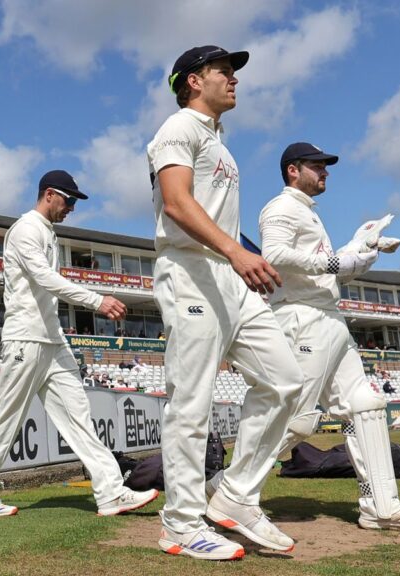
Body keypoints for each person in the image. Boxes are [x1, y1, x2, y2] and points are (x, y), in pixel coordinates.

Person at [147, 45, 304, 560]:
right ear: (194, 80)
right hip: (191, 273)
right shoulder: (179, 130)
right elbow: (176, 203)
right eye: (224, 72)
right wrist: (236, 252)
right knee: (191, 402)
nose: (234, 80)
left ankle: (235, 496)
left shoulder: (221, 143)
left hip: (229, 276)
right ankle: (180, 523)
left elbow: (216, 214)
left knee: (285, 381)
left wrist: (246, 257)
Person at [258, 141, 400, 534]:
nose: (325, 172)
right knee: (299, 420)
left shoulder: (309, 214)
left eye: (325, 166)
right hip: (302, 316)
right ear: (293, 170)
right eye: (317, 166)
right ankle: (230, 492)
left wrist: (362, 247)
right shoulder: (281, 207)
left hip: (329, 317)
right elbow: (272, 256)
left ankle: (381, 506)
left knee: (365, 405)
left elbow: (327, 270)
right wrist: (338, 260)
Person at [0, 169, 158, 519]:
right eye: (68, 200)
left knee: (79, 415)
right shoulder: (25, 229)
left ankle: (111, 491)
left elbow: (49, 283)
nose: (71, 208)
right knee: (7, 416)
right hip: (26, 337)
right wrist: (97, 301)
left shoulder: (47, 233)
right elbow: (45, 278)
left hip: (52, 339)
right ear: (49, 194)